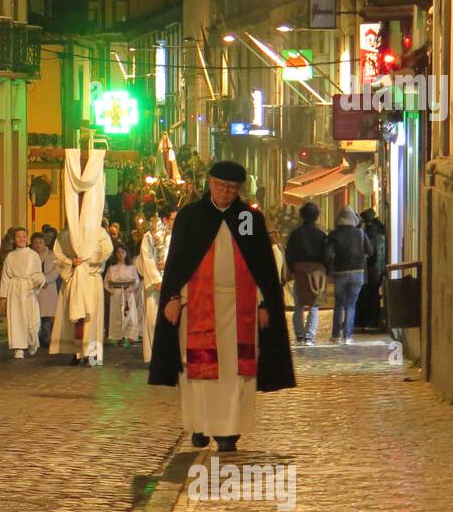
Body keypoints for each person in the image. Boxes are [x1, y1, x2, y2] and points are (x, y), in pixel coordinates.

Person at [148, 160, 295, 453]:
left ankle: (228, 431)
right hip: (197, 304)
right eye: (220, 186)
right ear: (210, 184)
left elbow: (263, 267)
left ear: (239, 190)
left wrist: (265, 303)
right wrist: (173, 297)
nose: (225, 192)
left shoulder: (249, 220)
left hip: (241, 308)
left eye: (231, 188)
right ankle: (201, 424)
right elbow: (178, 262)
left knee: (235, 372)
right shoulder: (191, 217)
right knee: (198, 368)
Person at [50, 220, 113, 365]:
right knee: (74, 319)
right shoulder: (66, 234)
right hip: (73, 278)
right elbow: (57, 254)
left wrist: (87, 258)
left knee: (91, 319)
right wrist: (71, 262)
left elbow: (107, 251)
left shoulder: (99, 232)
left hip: (91, 279)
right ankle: (76, 352)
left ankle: (90, 354)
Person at [325, 206, 373, 345]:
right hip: (358, 272)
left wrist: (329, 268)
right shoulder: (360, 233)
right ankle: (348, 336)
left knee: (339, 304)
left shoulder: (334, 234)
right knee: (351, 304)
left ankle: (335, 336)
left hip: (340, 272)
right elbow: (370, 251)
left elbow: (327, 254)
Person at [285, 202, 328, 346]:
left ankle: (299, 335)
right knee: (314, 305)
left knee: (299, 305)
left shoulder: (296, 234)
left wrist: (292, 269)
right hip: (317, 271)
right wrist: (326, 269)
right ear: (316, 216)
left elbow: (289, 253)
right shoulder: (321, 235)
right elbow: (327, 254)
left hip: (300, 271)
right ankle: (309, 337)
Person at [0, 228, 45, 359]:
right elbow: (5, 277)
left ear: (27, 238)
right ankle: (18, 347)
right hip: (14, 290)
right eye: (18, 237)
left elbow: (38, 272)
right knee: (16, 319)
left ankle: (31, 342)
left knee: (31, 318)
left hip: (28, 289)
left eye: (24, 236)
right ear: (14, 239)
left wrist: (37, 280)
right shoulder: (10, 256)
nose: (21, 239)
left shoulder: (33, 255)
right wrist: (3, 297)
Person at [135, 201, 171, 363]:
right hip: (154, 285)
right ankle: (154, 356)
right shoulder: (148, 237)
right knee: (152, 319)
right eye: (172, 219)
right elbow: (147, 259)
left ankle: (169, 356)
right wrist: (157, 280)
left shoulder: (175, 236)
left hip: (171, 284)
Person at [105, 244, 141, 346]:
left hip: (127, 293)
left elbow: (137, 281)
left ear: (126, 253)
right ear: (115, 254)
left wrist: (131, 288)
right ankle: (117, 337)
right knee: (117, 315)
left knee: (129, 315)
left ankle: (129, 336)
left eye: (122, 252)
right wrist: (112, 290)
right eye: (118, 252)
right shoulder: (111, 268)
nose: (120, 254)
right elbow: (106, 282)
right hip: (116, 293)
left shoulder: (131, 268)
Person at [358, 208, 387, 329]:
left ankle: (368, 320)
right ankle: (373, 320)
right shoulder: (381, 232)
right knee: (374, 295)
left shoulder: (370, 234)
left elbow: (371, 253)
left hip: (371, 268)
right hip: (378, 268)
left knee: (368, 294)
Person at [30, 231, 58, 349]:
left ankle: (45, 338)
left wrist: (46, 280)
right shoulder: (29, 256)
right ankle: (34, 338)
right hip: (34, 288)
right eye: (35, 243)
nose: (38, 245)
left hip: (48, 289)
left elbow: (56, 270)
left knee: (47, 315)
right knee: (35, 314)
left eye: (40, 242)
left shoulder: (52, 255)